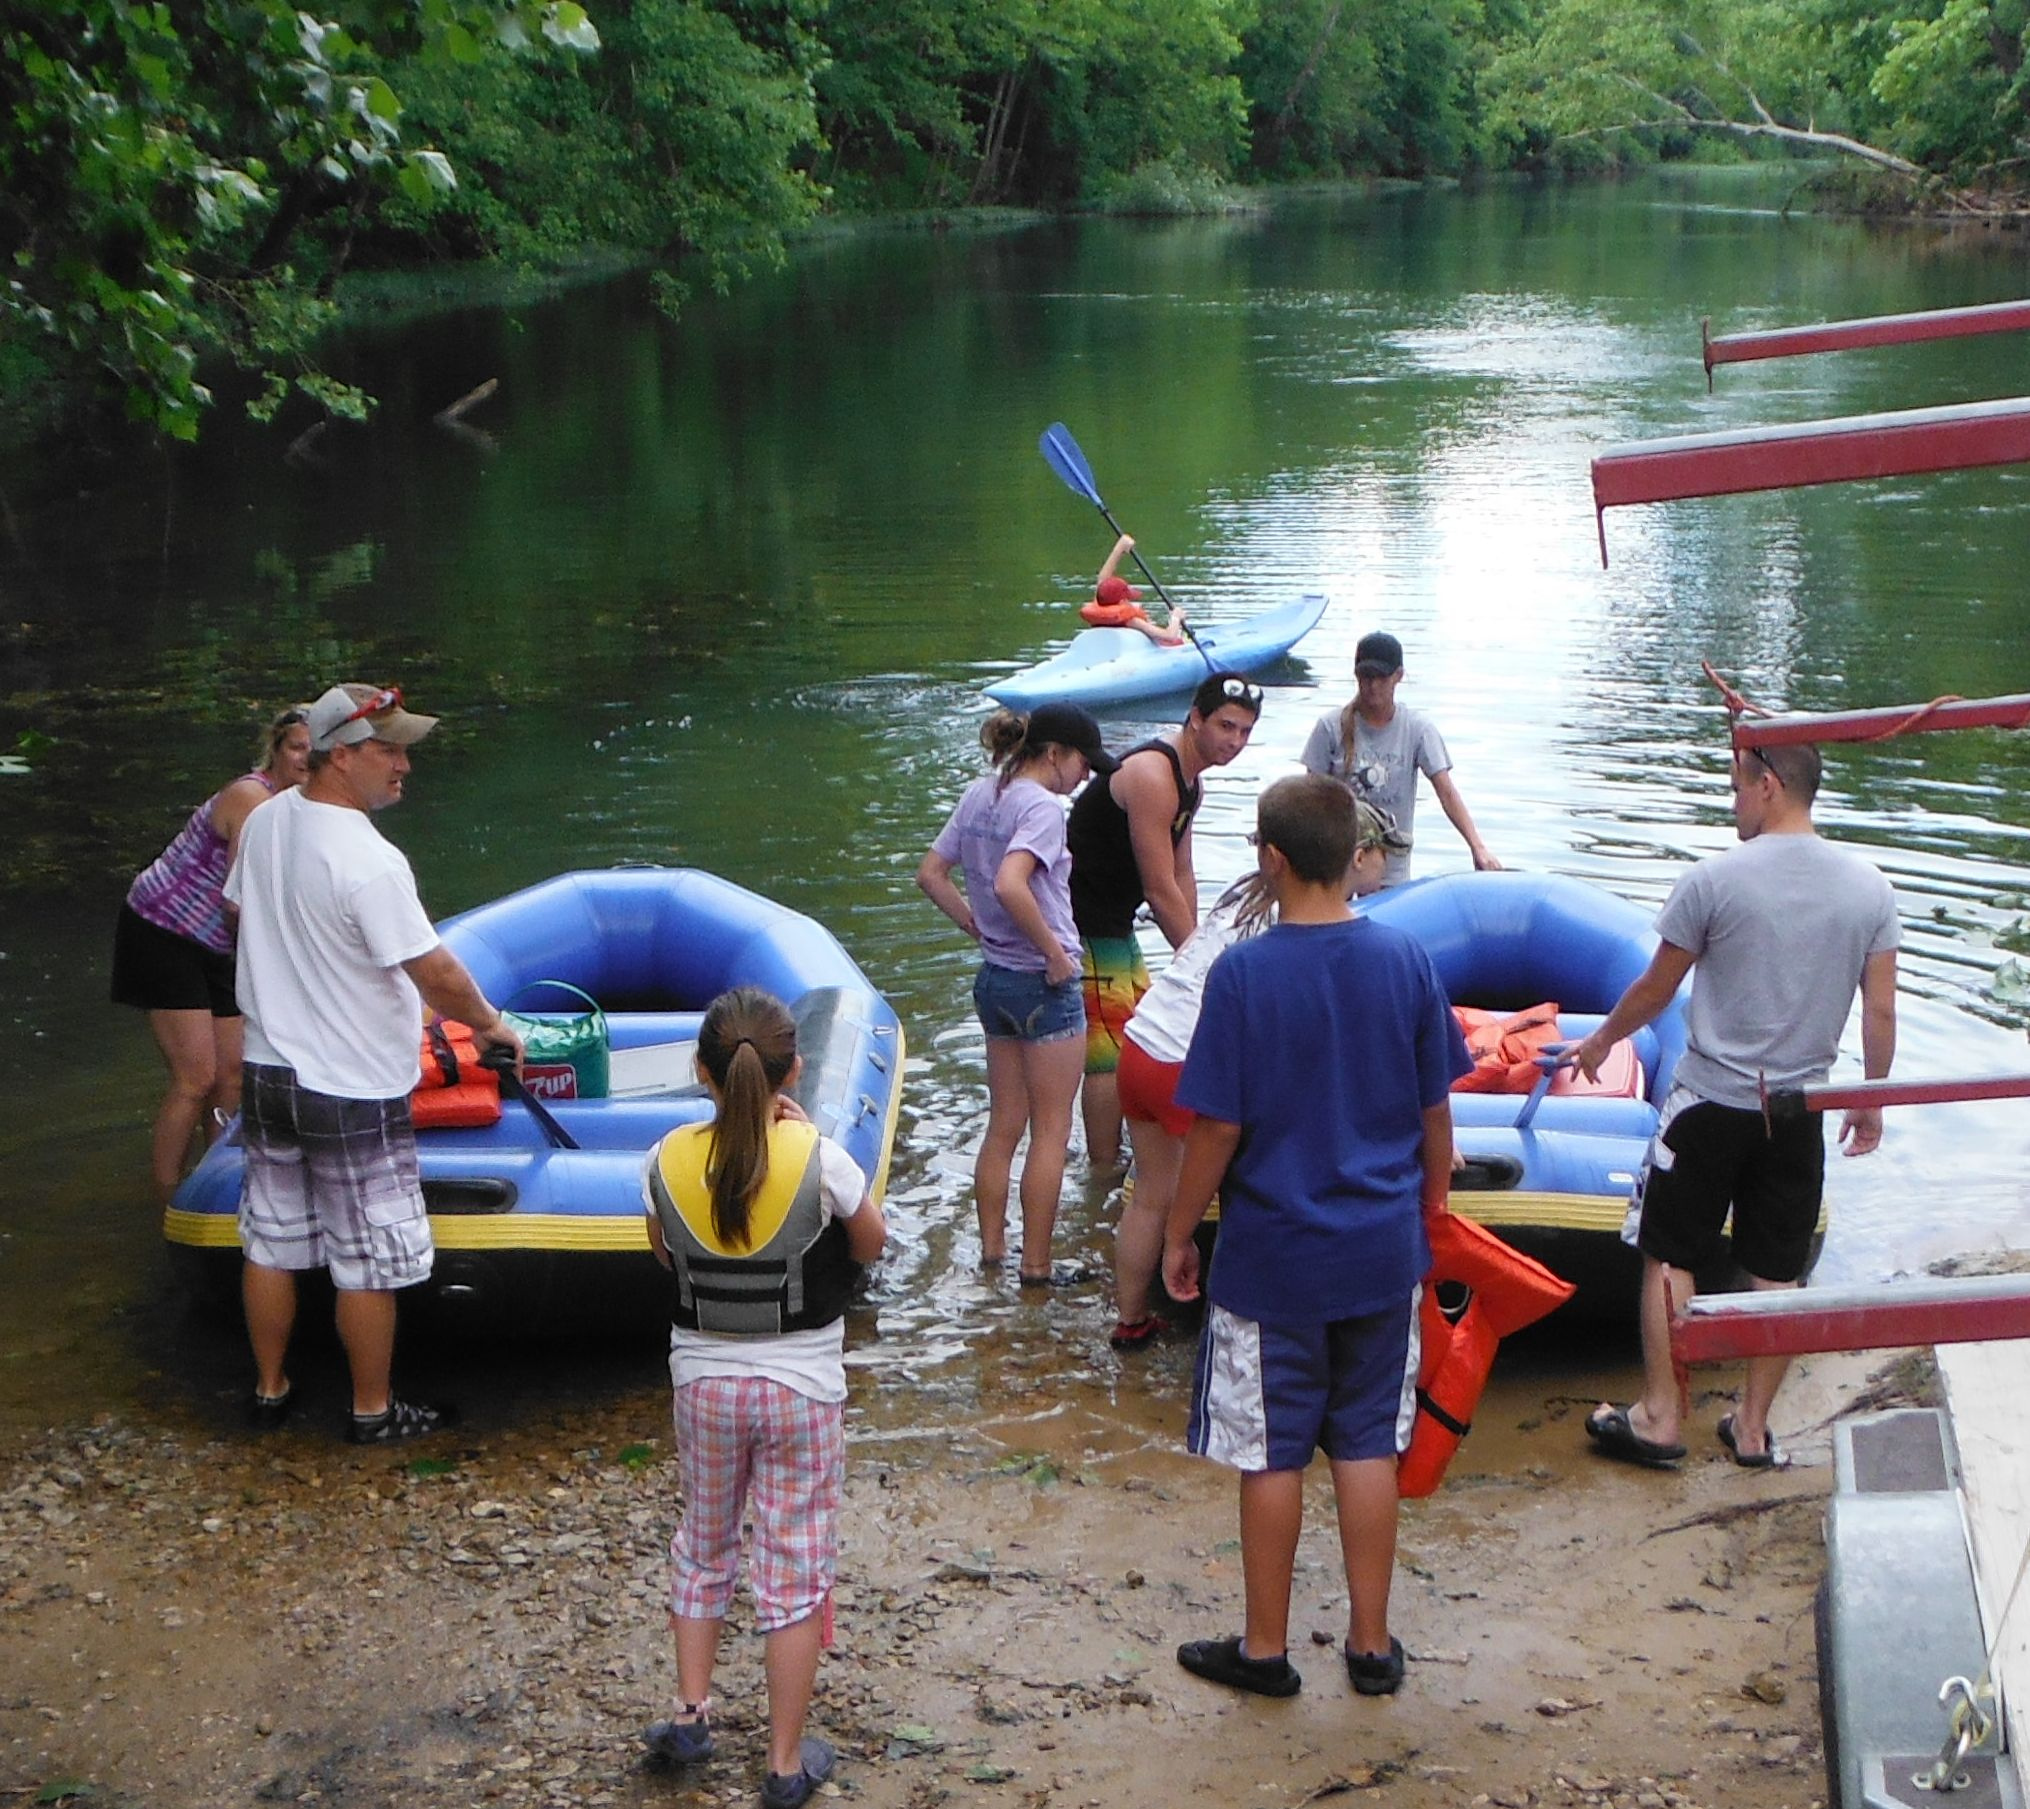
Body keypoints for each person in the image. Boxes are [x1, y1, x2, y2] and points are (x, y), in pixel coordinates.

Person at [1160, 773, 1470, 1699]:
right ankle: (1371, 1647)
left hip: (1273, 1260)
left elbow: (1215, 1129)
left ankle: (1265, 1649)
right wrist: (1433, 1213)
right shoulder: (1407, 960)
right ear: (1355, 859)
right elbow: (1435, 1116)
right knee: (1368, 1442)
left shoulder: (1244, 974)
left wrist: (1180, 1233)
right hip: (1380, 1250)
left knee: (1273, 1450)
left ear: (1272, 858)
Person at [1571, 740, 1898, 1471]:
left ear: (1770, 786)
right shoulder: (1870, 887)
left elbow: (1656, 989)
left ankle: (1660, 1415)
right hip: (1801, 1105)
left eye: (1738, 788)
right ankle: (1750, 1429)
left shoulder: (1714, 878)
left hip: (1711, 1099)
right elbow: (1879, 1012)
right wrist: (1871, 1098)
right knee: (1776, 1267)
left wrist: (1599, 1044)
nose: (1734, 803)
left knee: (1669, 1247)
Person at [226, 682, 523, 1441]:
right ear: (341, 755)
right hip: (349, 1083)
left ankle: (269, 1390)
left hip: (267, 1069)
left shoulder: (264, 823)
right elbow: (437, 973)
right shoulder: (369, 858)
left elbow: (239, 911)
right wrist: (490, 1023)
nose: (404, 766)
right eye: (389, 750)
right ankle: (372, 1411)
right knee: (367, 1260)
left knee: (272, 1240)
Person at [639, 987, 887, 1809]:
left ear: (701, 1072)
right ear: (797, 1069)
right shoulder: (821, 1158)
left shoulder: (666, 1157)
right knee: (793, 1563)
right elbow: (872, 1240)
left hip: (703, 1383)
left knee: (703, 1543)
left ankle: (689, 1714)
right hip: (800, 1387)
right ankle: (783, 1763)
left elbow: (665, 1255)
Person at [1110, 798, 1411, 1350]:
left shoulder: (1244, 895)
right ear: (1355, 856)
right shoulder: (1305, 922)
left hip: (1144, 1043)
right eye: (1380, 860)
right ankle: (1240, 1325)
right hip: (1186, 1061)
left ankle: (1131, 1321)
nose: (1384, 873)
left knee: (1151, 1194)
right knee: (1242, 1192)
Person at [917, 703, 1118, 1281]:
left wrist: (972, 925)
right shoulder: (1043, 808)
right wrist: (1055, 956)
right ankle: (1035, 1268)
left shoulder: (982, 794)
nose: (1084, 776)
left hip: (995, 980)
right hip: (1042, 983)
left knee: (1003, 1123)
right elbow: (1011, 883)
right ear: (1053, 754)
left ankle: (991, 1254)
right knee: (1052, 1129)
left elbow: (930, 873)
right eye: (1082, 763)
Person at [112, 705, 314, 1203]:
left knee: (231, 1077)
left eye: (316, 750)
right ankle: (166, 1198)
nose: (306, 759)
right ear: (277, 750)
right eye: (296, 748)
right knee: (196, 1077)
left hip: (220, 943)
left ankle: (217, 1188)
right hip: (164, 930)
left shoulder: (304, 809)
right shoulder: (252, 798)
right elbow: (237, 899)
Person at [1068, 669, 1263, 1169]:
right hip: (1084, 922)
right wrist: (1203, 966)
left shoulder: (1189, 781)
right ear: (1195, 718)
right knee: (1109, 1054)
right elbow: (1158, 887)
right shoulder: (1155, 774)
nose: (1234, 741)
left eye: (1244, 731)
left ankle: (1128, 1155)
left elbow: (1183, 870)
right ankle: (1103, 1169)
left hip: (1115, 923)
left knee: (1137, 1033)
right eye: (1225, 726)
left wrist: (1192, 951)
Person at [1299, 630, 1500, 887]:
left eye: (1381, 678)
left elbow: (1447, 792)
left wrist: (1477, 847)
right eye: (1366, 676)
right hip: (1338, 869)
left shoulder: (1417, 729)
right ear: (1356, 674)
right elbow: (1308, 799)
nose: (1372, 686)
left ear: (1398, 676)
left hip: (1390, 874)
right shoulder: (1330, 727)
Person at [1079, 534, 1188, 646]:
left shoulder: (1100, 604)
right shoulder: (1131, 621)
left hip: (1112, 648)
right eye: (1127, 598)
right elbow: (1169, 636)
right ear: (1121, 602)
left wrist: (1120, 548)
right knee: (1177, 641)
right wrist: (1176, 617)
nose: (1129, 601)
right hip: (1144, 651)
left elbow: (1102, 578)